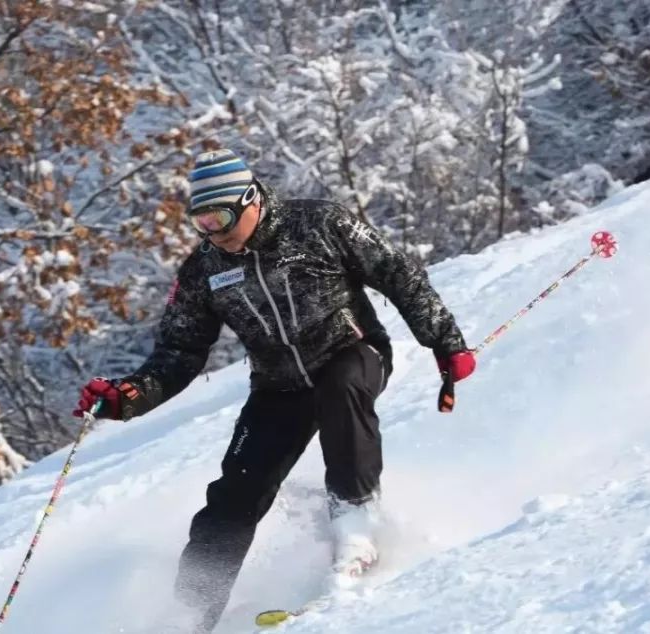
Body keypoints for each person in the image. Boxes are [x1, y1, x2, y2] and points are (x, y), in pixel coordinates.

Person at [73, 148, 476, 631]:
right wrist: (129, 396)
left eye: (220, 217)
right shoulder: (203, 270)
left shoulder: (321, 224)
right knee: (235, 493)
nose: (213, 233)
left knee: (341, 389)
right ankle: (190, 611)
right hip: (279, 384)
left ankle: (356, 527)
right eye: (200, 221)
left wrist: (445, 342)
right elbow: (178, 353)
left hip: (352, 352)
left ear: (251, 200)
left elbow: (398, 273)